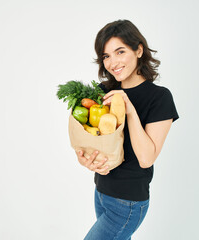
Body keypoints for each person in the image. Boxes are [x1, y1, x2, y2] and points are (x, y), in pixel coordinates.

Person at [76, 19, 179, 240]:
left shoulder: (159, 98)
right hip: (101, 192)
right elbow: (94, 138)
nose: (112, 63)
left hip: (128, 202)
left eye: (120, 52)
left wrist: (130, 110)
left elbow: (146, 159)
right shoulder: (103, 91)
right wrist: (86, 159)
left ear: (139, 50)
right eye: (106, 56)